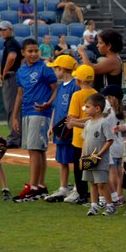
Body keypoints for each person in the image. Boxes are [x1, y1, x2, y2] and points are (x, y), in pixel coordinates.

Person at [11, 37, 57, 201]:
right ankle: (40, 185)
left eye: (36, 51)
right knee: (38, 150)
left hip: (39, 113)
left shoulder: (44, 68)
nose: (33, 54)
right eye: (30, 51)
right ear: (23, 53)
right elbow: (20, 94)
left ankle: (33, 186)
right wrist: (15, 116)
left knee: (34, 149)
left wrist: (48, 104)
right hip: (27, 112)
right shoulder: (21, 72)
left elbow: (55, 89)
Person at [44, 54, 78, 202]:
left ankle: (78, 188)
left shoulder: (75, 85)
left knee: (75, 159)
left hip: (71, 130)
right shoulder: (59, 86)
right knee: (62, 159)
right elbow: (55, 108)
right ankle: (63, 187)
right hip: (60, 130)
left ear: (62, 69)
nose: (54, 72)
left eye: (56, 68)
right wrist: (51, 125)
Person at [77, 94, 116, 216]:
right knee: (92, 182)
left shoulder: (103, 123)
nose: (85, 109)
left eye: (88, 107)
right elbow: (85, 141)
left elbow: (109, 140)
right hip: (89, 159)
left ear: (97, 108)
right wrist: (83, 157)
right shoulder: (88, 124)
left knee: (101, 183)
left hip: (99, 159)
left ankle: (110, 206)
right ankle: (94, 206)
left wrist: (99, 155)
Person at [64, 65, 97, 205]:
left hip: (79, 137)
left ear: (78, 81)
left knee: (79, 168)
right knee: (93, 166)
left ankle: (82, 194)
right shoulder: (96, 94)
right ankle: (96, 193)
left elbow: (72, 117)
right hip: (93, 137)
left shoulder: (77, 95)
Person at [0, 22, 22, 149]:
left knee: (13, 107)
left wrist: (5, 71)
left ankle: (14, 138)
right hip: (14, 76)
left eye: (4, 29)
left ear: (10, 30)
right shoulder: (11, 42)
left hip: (11, 77)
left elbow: (12, 57)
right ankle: (17, 137)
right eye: (0, 30)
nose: (1, 32)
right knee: (14, 107)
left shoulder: (11, 42)